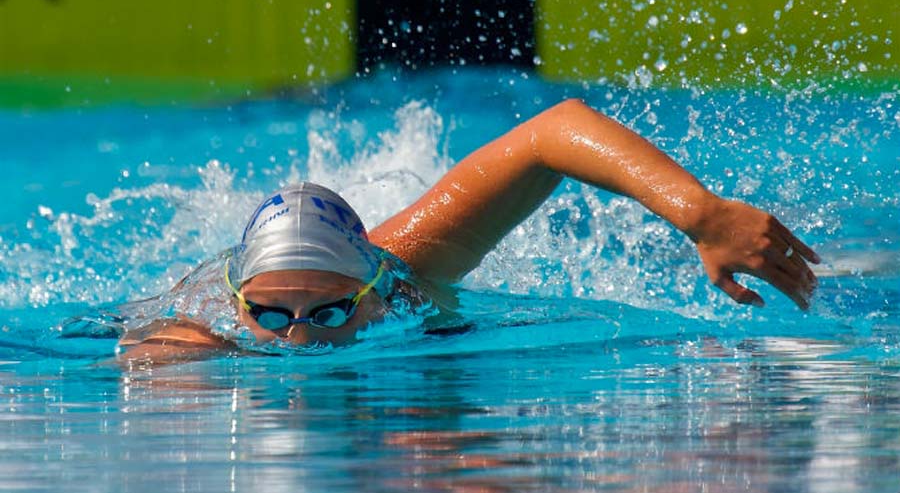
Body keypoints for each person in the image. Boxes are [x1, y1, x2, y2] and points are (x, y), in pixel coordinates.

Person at [119, 99, 820, 363]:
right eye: (271, 317)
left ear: (374, 293)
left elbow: (552, 133)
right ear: (239, 304)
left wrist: (700, 213)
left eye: (330, 313)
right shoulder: (200, 334)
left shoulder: (407, 270)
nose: (298, 340)